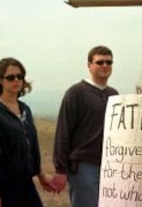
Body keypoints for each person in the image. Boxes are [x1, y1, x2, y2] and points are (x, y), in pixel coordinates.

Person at [0, 57, 54, 207]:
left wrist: (41, 176)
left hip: (25, 185)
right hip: (2, 187)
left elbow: (31, 147)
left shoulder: (25, 109)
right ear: (0, 80)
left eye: (20, 76)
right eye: (10, 77)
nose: (16, 80)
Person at [51, 45, 118, 207]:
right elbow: (63, 132)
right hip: (83, 166)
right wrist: (60, 170)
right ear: (89, 65)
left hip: (110, 167)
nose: (105, 66)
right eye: (99, 62)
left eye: (109, 62)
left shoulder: (114, 95)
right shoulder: (76, 93)